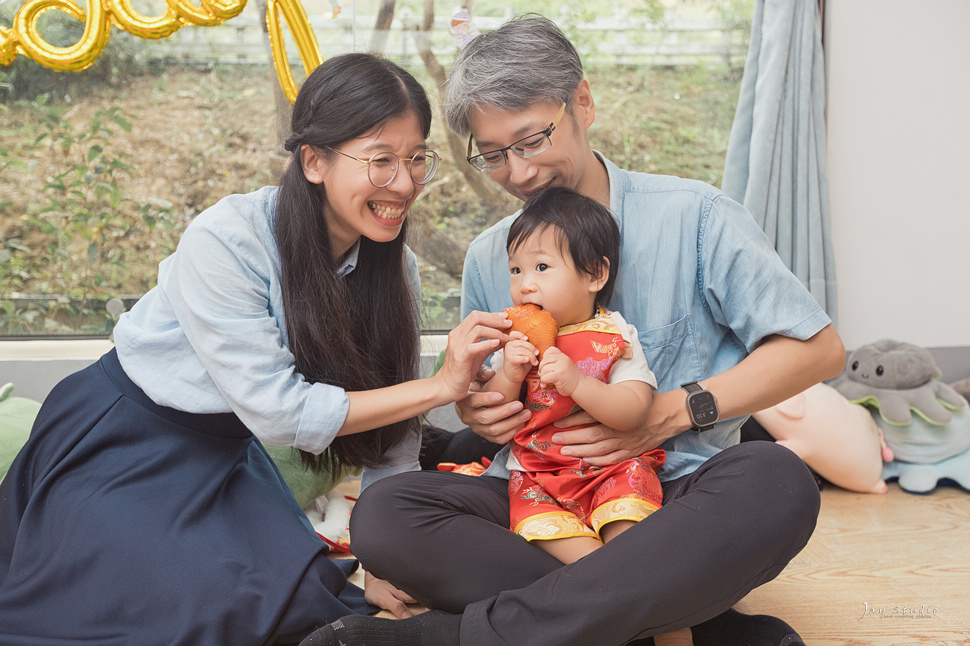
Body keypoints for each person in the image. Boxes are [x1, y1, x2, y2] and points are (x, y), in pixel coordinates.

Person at [309, 13, 847, 646]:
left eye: (533, 139)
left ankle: (455, 638)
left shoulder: (697, 218)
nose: (519, 172)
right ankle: (689, 621)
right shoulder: (492, 257)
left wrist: (674, 411)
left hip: (675, 494)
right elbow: (491, 399)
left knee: (776, 481)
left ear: (582, 103)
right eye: (494, 154)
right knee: (385, 517)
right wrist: (487, 411)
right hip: (537, 495)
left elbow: (819, 349)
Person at [0, 53, 511, 645]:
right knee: (187, 613)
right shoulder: (229, 237)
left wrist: (384, 558)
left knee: (295, 598)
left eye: (416, 157)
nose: (404, 183)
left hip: (223, 456)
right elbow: (276, 410)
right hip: (120, 443)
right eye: (380, 160)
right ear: (314, 161)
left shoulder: (397, 269)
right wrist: (442, 386)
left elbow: (394, 435)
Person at [487, 187, 691, 646]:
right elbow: (500, 417)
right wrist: (508, 373)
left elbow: (635, 410)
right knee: (595, 571)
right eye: (516, 270)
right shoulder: (517, 343)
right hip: (538, 479)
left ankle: (672, 632)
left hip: (609, 474)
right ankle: (622, 614)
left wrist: (578, 383)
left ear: (595, 274)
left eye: (541, 267)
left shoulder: (613, 335)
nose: (525, 284)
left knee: (637, 555)